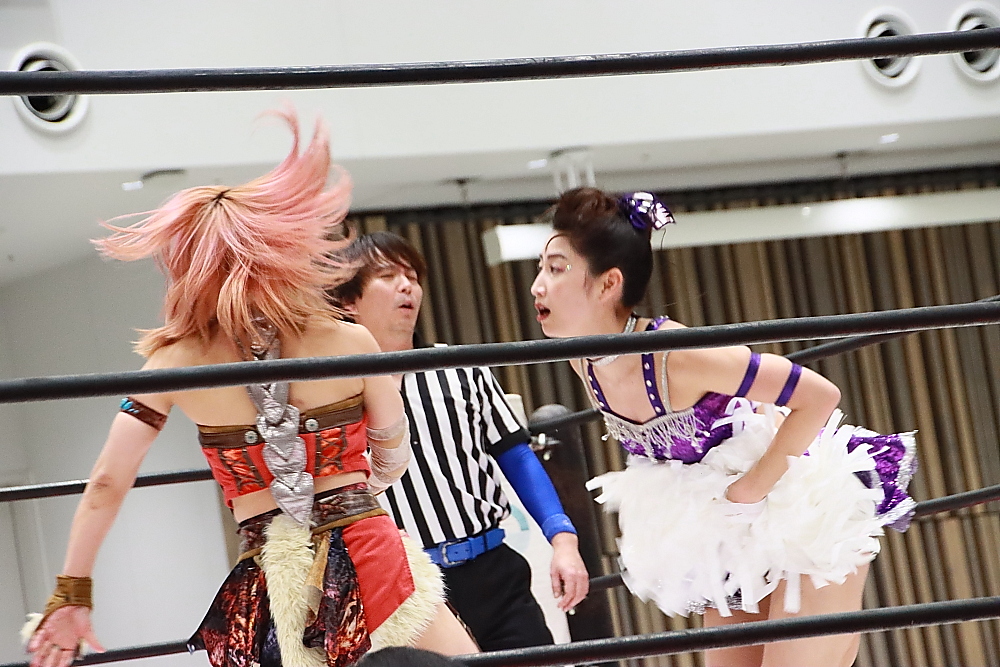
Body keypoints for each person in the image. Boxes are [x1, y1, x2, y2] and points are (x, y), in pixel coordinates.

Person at [23, 111, 477, 667]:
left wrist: (72, 592)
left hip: (269, 579)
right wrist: (354, 487)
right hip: (369, 553)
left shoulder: (170, 362)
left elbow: (105, 484)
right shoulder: (350, 340)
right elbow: (392, 451)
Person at [530, 188, 917, 667]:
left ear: (609, 283)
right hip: (730, 532)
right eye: (541, 268)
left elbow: (819, 396)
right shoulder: (583, 358)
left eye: (556, 269)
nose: (537, 286)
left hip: (801, 505)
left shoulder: (678, 353)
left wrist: (749, 490)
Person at [329, 232, 590, 651]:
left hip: (493, 571)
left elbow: (515, 454)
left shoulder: (459, 366)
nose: (406, 286)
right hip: (409, 587)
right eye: (388, 275)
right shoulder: (334, 391)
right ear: (349, 300)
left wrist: (562, 538)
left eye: (413, 276)